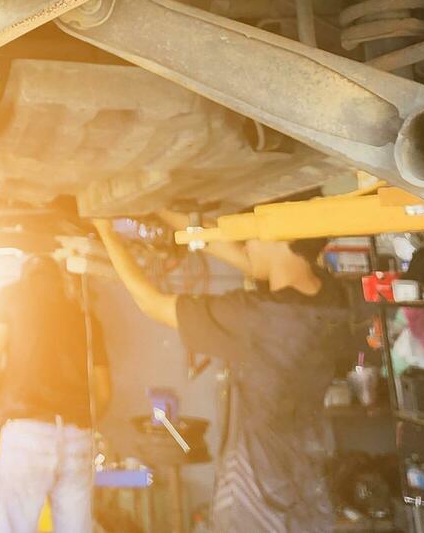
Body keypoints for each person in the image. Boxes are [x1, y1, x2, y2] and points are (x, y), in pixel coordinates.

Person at [93, 220, 355, 532]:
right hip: (306, 480)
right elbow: (262, 263)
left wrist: (105, 229)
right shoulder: (329, 296)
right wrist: (179, 218)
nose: (245, 245)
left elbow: (152, 303)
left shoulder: (257, 317)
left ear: (277, 236)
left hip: (257, 491)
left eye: (249, 237)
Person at [0, 254, 112, 532]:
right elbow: (103, 392)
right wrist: (80, 427)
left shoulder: (10, 296)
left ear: (26, 272)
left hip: (27, 436)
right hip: (78, 438)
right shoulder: (83, 312)